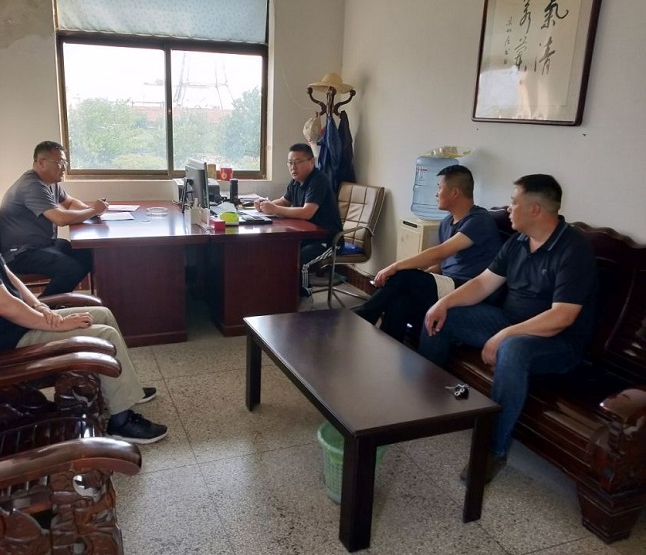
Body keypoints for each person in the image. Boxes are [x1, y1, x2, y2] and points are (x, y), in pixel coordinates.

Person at [0, 149, 167, 444]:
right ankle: (121, 421)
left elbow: (6, 274)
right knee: (102, 333)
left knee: (102, 314)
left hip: (13, 325)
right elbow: (3, 305)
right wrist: (54, 323)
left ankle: (123, 393)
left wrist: (38, 305)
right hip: (2, 340)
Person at [419, 174, 597, 482]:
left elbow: (562, 317)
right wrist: (444, 303)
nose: (508, 208)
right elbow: (483, 283)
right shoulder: (519, 241)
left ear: (535, 209)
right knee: (444, 317)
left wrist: (505, 335)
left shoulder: (573, 249)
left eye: (514, 202)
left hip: (556, 342)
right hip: (509, 322)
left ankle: (493, 450)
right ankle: (424, 403)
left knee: (513, 349)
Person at [352, 165, 501, 342]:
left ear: (455, 192)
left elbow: (440, 253)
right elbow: (441, 264)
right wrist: (419, 278)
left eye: (439, 187)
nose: (436, 193)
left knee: (402, 275)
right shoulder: (446, 222)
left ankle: (361, 317)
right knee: (400, 301)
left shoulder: (479, 220)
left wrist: (396, 267)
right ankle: (387, 347)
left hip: (466, 289)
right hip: (447, 284)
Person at [0, 140, 108, 295]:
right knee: (72, 269)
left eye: (65, 162)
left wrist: (92, 211)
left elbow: (70, 202)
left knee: (87, 254)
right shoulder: (32, 185)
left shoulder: (50, 183)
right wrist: (93, 211)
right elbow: (60, 219)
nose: (64, 167)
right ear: (42, 163)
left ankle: (63, 300)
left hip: (41, 245)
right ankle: (44, 306)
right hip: (21, 253)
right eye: (59, 162)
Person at [255, 143, 342, 297]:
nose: (293, 167)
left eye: (298, 162)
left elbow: (306, 213)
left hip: (328, 240)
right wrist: (265, 205)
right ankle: (282, 294)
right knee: (280, 250)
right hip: (306, 237)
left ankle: (304, 296)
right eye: (290, 162)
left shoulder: (318, 180)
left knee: (300, 260)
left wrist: (274, 209)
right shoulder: (296, 181)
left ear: (312, 161)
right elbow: (284, 201)